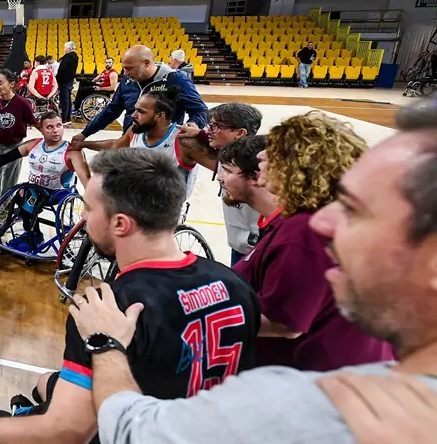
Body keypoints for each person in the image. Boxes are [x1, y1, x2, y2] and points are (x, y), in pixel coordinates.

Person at [53, 103, 437, 444]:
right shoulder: (288, 225)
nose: (260, 162)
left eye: (355, 209)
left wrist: (139, 331)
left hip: (306, 372)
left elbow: (288, 323)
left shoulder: (301, 234)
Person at [0, 149, 259, 444]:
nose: (81, 217)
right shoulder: (235, 283)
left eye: (88, 209)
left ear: (120, 224)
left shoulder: (107, 309)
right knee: (45, 383)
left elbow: (67, 432)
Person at [235, 111, 391, 371]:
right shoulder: (338, 216)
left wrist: (204, 317)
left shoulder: (306, 231)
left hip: (313, 381)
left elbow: (286, 323)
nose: (260, 155)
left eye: (272, 151)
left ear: (297, 164)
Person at [0, 110, 91, 250]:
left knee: (29, 199)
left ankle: (34, 237)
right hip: (34, 188)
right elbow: (5, 158)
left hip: (60, 192)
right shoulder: (33, 145)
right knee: (20, 195)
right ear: (41, 129)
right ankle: (31, 231)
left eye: (59, 125)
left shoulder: (72, 152)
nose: (56, 130)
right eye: (50, 127)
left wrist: (92, 208)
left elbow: (87, 182)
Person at [79, 91, 217, 195]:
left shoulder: (183, 140)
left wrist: (202, 135)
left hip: (167, 210)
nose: (133, 115)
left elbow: (220, 165)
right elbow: (115, 145)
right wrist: (84, 144)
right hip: (139, 200)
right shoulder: (135, 131)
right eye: (135, 109)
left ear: (160, 115)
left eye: (141, 111)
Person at [71, 45, 208, 148]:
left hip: (165, 149)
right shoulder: (127, 80)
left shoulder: (176, 80)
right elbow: (112, 110)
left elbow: (200, 110)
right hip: (131, 143)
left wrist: (194, 124)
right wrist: (85, 133)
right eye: (124, 68)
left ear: (146, 63)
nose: (125, 72)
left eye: (130, 68)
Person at [194, 102, 264, 264]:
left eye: (216, 126)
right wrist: (199, 133)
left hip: (258, 251)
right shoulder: (228, 156)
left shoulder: (259, 166)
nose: (208, 130)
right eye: (209, 124)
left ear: (240, 133)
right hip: (239, 247)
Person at [0, 68, 40, 198]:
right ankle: (4, 202)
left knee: (8, 181)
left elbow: (35, 122)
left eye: (0, 83)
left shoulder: (22, 103)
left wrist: (50, 136)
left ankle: (5, 210)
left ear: (11, 84)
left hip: (14, 146)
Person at [56, 41, 79, 123]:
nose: (64, 49)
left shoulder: (67, 57)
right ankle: (68, 117)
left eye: (65, 48)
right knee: (68, 99)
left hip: (64, 80)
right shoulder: (75, 56)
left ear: (69, 48)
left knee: (64, 100)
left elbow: (61, 69)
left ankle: (64, 118)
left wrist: (57, 79)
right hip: (70, 80)